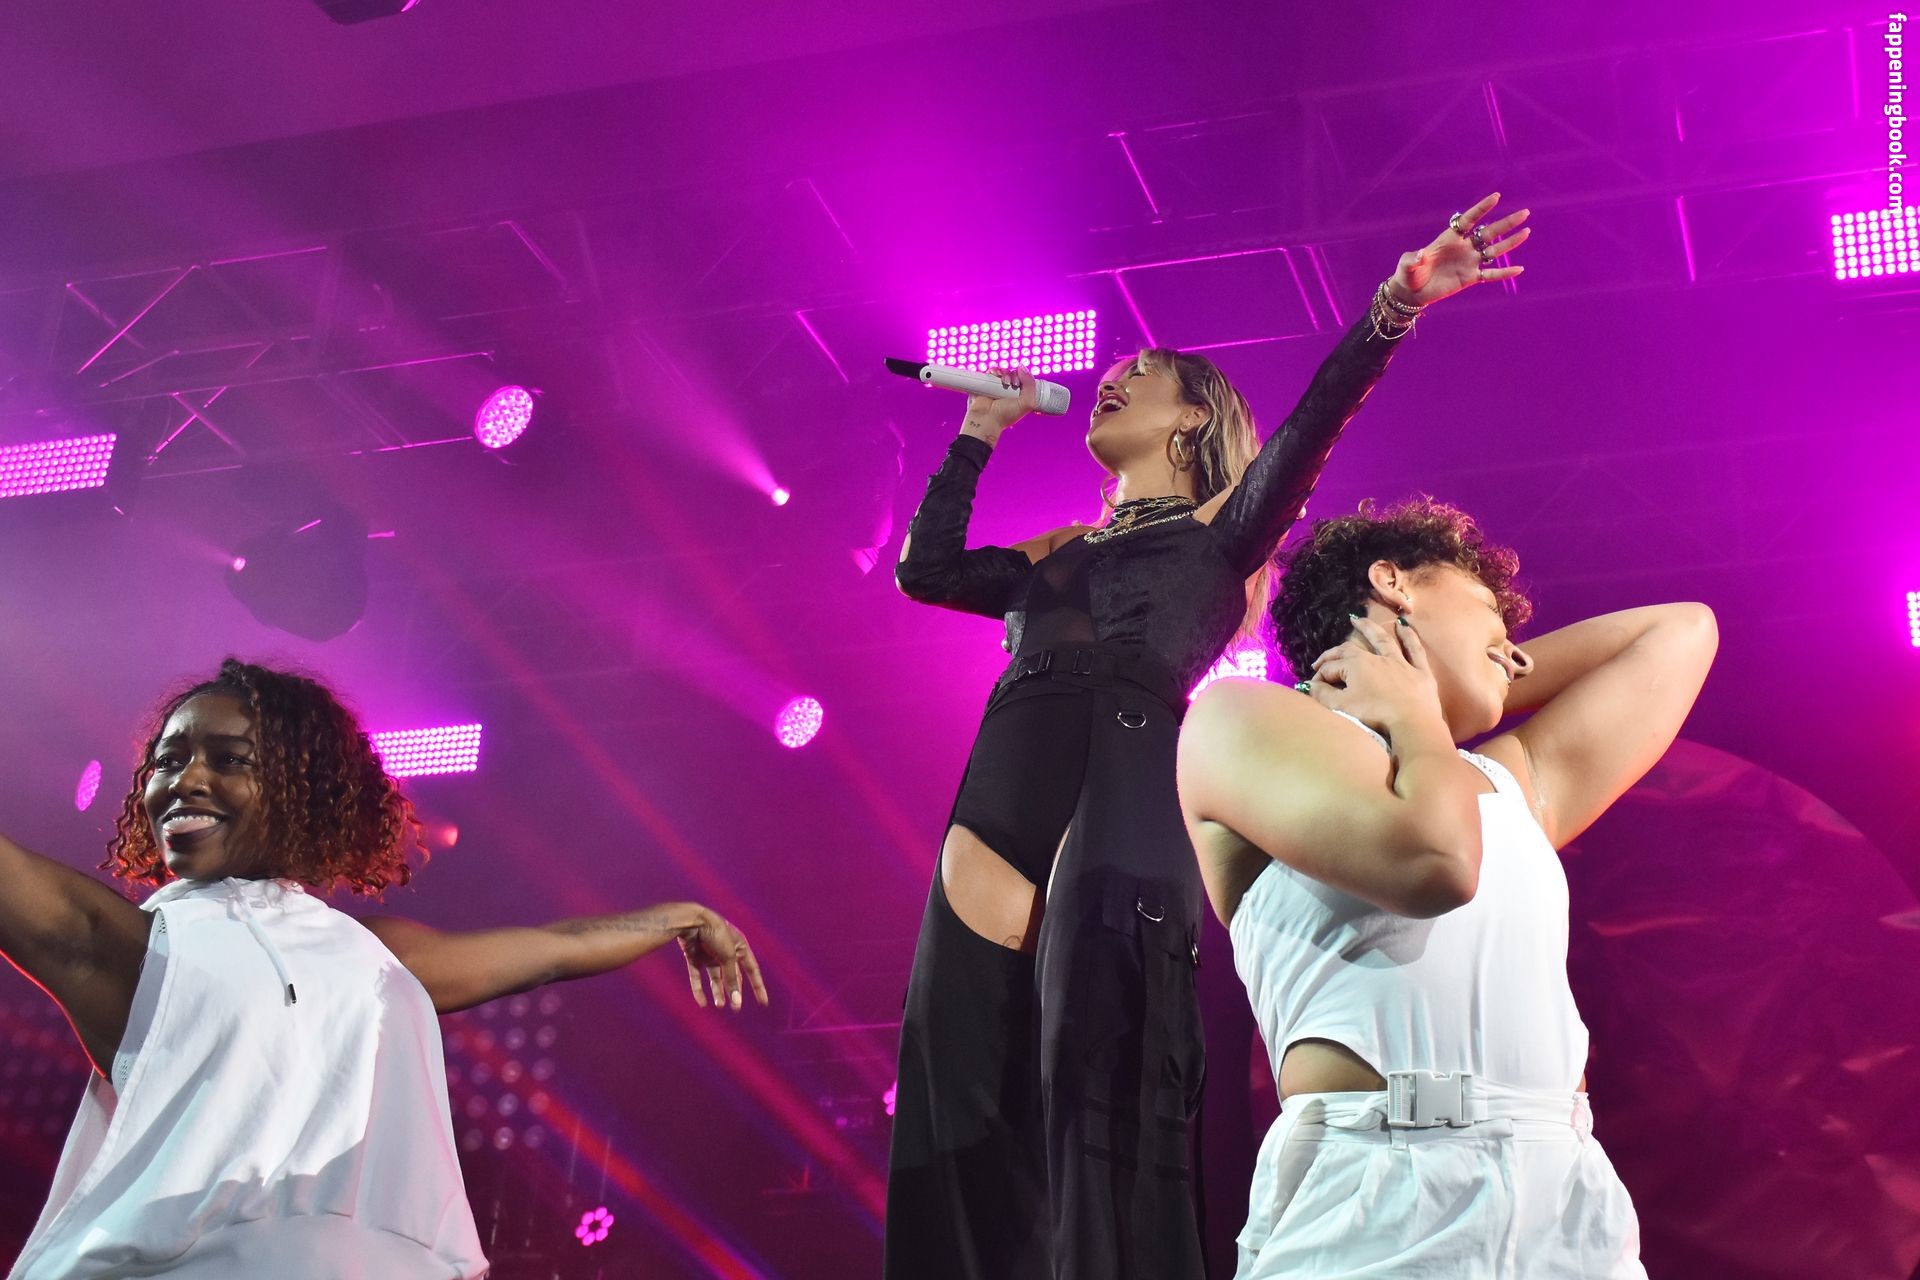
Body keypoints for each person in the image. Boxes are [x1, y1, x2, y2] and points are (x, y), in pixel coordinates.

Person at [886, 196, 1532, 1278]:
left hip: (1126, 780)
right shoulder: (1059, 550)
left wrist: (1396, 304)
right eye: (1115, 370)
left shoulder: (1220, 534)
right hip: (1000, 782)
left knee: (1097, 1081)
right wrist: (977, 433)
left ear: (1193, 420)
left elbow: (1311, 431)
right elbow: (928, 570)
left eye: (1141, 373)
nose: (1114, 379)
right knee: (962, 1091)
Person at [1, 658, 767, 1280]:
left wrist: (680, 917)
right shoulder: (134, 947)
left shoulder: (375, 958)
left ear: (303, 789)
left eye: (229, 760)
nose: (185, 780)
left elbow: (552, 949)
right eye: (168, 761)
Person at [1176, 499, 1717, 1276]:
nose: (1513, 650)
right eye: (1492, 612)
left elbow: (1680, 631)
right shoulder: (1243, 717)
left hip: (1564, 1197)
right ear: (1392, 580)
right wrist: (1416, 709)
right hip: (1382, 1189)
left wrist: (1461, 674)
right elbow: (1435, 864)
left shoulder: (1508, 781)